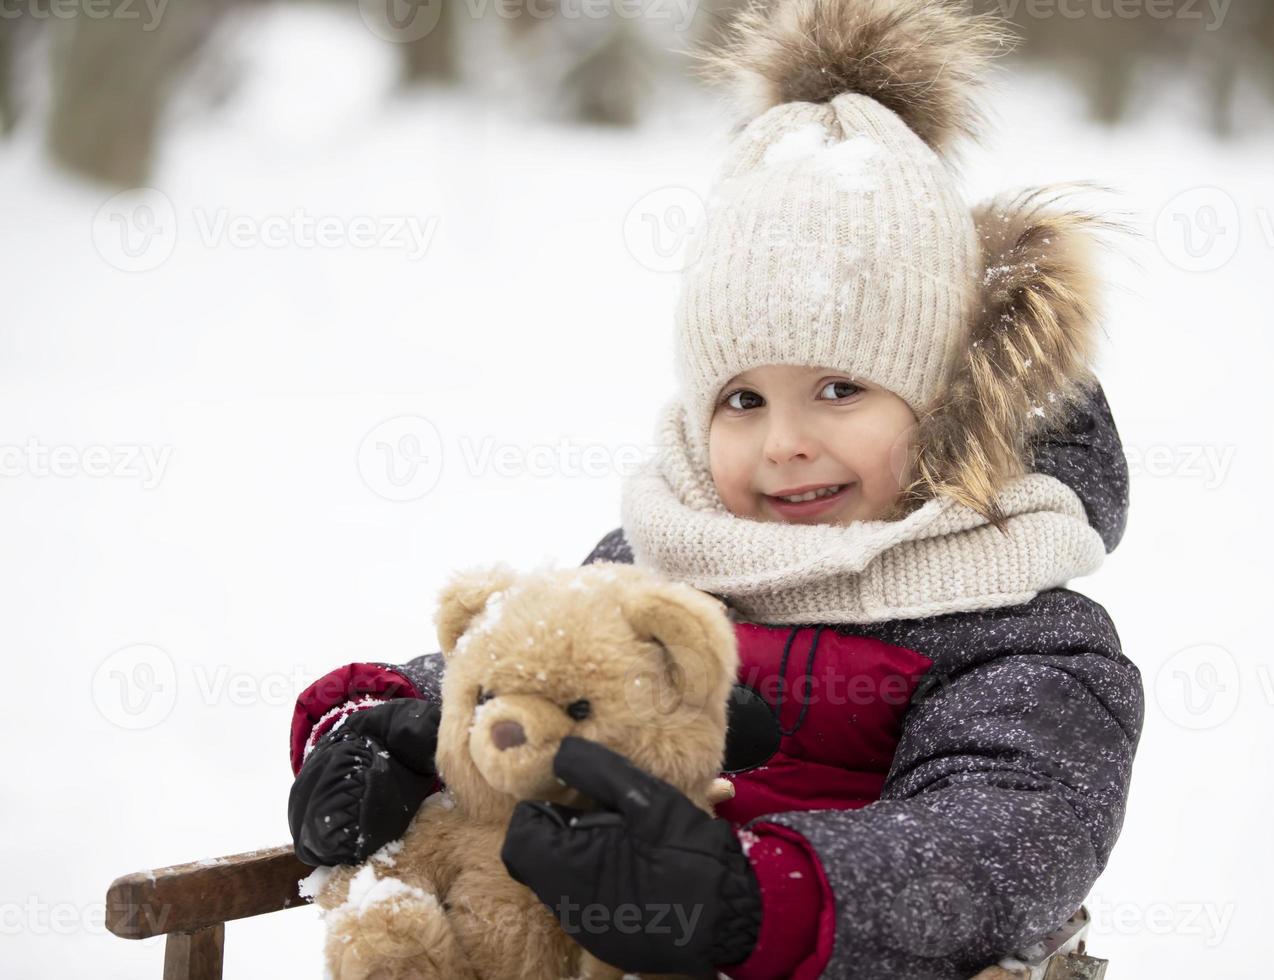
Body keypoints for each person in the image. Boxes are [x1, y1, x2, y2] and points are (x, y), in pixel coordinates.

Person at [287, 1, 1143, 977]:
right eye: (743, 398)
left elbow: (996, 838)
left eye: (839, 387)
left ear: (943, 400)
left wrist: (750, 894)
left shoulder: (1018, 627)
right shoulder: (663, 559)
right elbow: (516, 676)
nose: (785, 442)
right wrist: (374, 726)